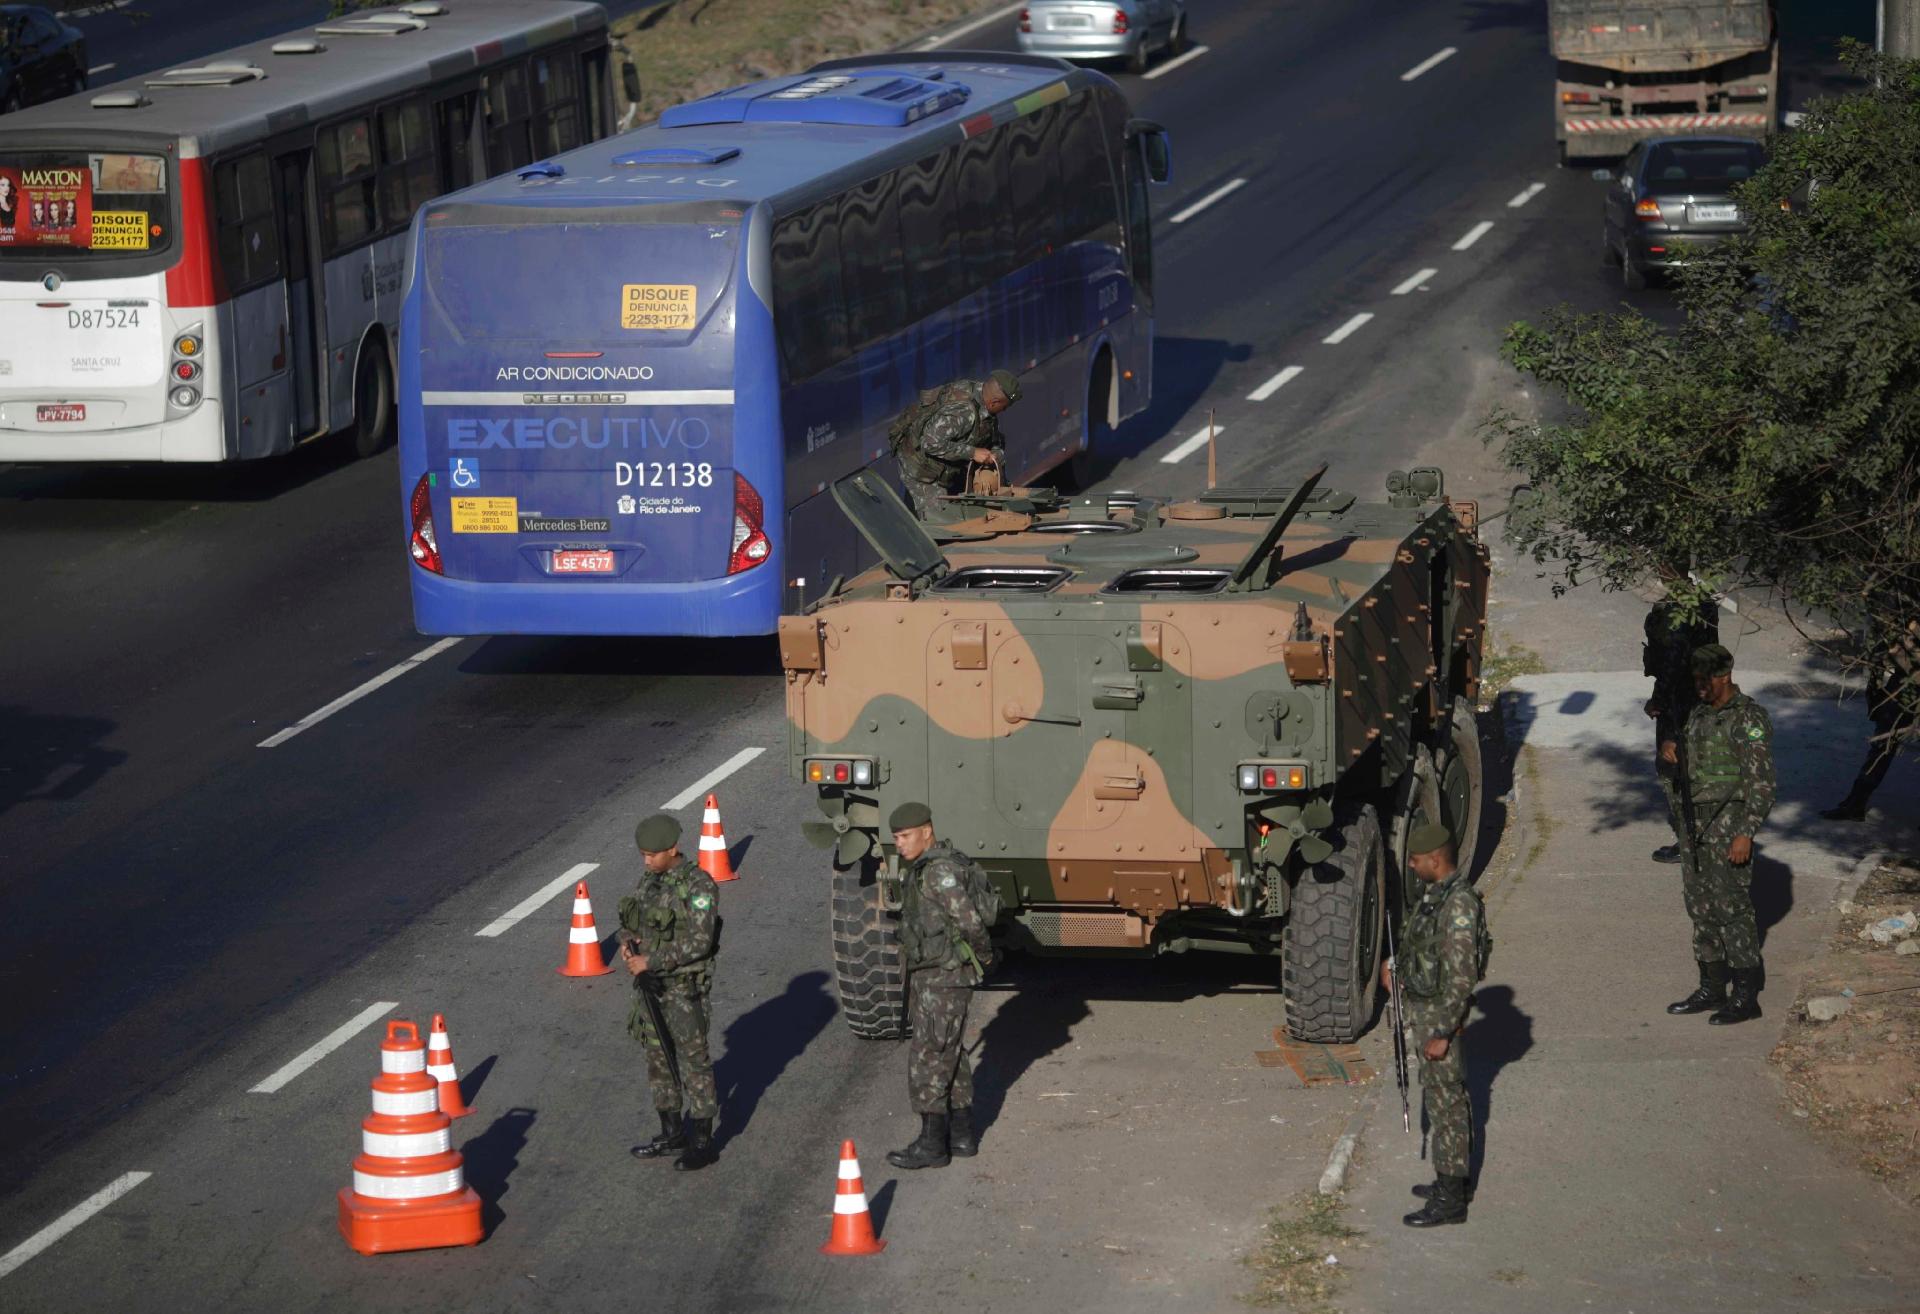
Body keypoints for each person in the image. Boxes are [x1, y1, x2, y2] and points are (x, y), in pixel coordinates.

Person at [1663, 644, 1775, 1026]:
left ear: (1723, 677)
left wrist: (1746, 833)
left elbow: (1762, 784)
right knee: (1701, 909)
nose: (1699, 687)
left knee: (1733, 910)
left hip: (1729, 826)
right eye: (1695, 680)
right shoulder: (1698, 715)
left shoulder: (1748, 719)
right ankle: (1711, 987)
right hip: (1695, 828)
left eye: (1704, 680)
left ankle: (1746, 995)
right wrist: (1672, 749)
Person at [1383, 822, 1487, 1228]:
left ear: (1435, 859)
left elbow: (1462, 976)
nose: (1411, 865)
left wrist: (1443, 1032)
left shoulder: (1459, 904)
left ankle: (1451, 1200)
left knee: (1448, 1108)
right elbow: (1423, 949)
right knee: (1443, 1101)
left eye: (1415, 859)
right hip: (1425, 1011)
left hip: (1440, 1019)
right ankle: (1452, 1182)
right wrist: (1394, 968)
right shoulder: (1435, 895)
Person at [885, 801, 995, 1171]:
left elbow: (970, 921)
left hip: (944, 977)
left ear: (926, 831)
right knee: (951, 1052)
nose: (899, 844)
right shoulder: (925, 869)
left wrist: (984, 957)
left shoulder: (938, 872)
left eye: (905, 836)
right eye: (896, 838)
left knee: (929, 1055)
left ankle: (932, 1144)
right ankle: (962, 1136)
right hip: (935, 974)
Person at [618, 813, 722, 1171]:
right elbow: (631, 922)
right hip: (651, 988)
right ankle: (672, 1131)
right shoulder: (650, 882)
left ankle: (703, 1139)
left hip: (683, 989)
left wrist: (653, 961)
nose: (647, 861)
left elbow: (700, 941)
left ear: (673, 849)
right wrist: (628, 945)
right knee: (658, 1058)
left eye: (653, 854)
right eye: (643, 854)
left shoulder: (700, 887)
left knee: (694, 1062)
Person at [887, 370, 1021, 515]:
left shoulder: (982, 399)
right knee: (940, 520)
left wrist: (995, 453)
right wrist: (973, 453)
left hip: (947, 464)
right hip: (922, 468)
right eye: (1005, 406)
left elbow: (991, 436)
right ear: (995, 402)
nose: (1005, 410)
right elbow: (930, 443)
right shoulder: (963, 412)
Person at [1644, 600, 1718, 862]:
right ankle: (1700, 836)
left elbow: (1672, 667)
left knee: (1673, 773)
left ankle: (1690, 842)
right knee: (1694, 770)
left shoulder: (1678, 613)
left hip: (1678, 706)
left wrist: (1658, 701)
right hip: (1701, 699)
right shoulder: (1704, 605)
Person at [1822, 659, 1915, 821]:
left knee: (1882, 744)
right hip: (1905, 682)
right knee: (1882, 744)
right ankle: (1856, 802)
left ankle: (1856, 802)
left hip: (1908, 685)